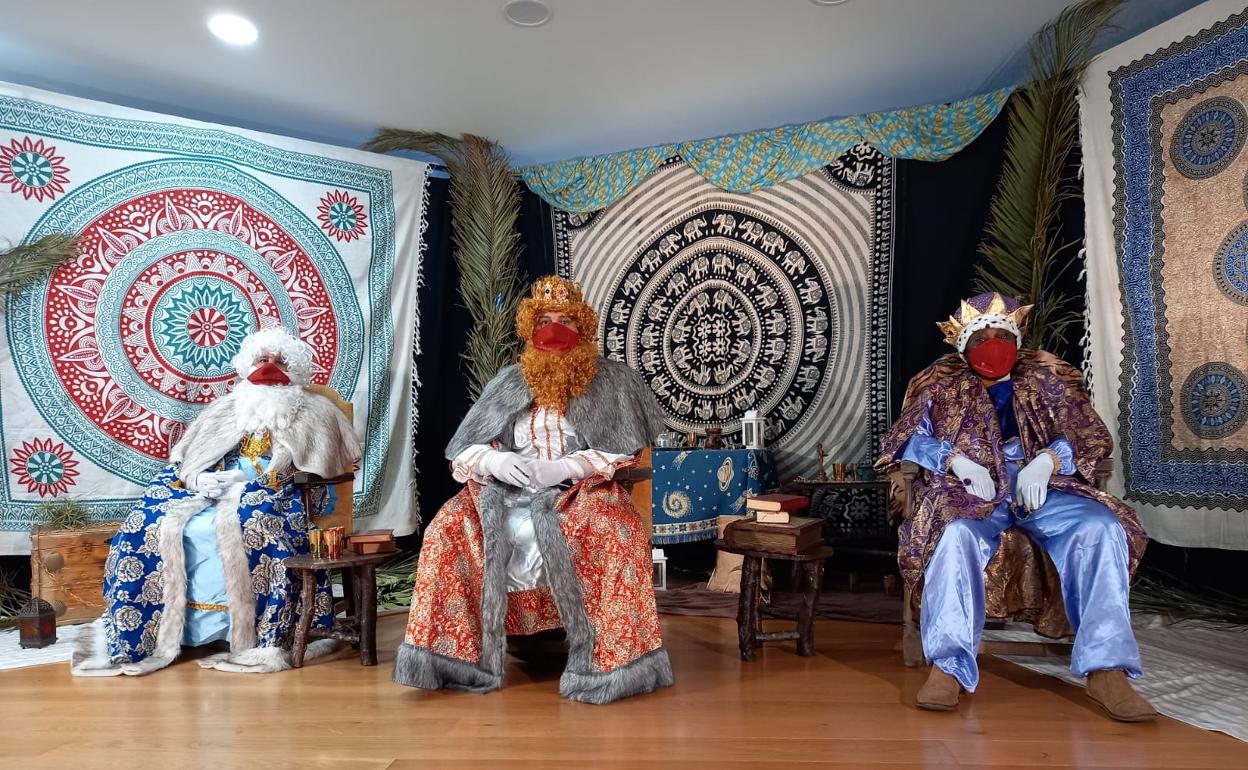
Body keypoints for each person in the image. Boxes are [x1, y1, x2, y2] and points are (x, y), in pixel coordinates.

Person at [876, 292, 1155, 721]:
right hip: (970, 490)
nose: (992, 344)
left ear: (1016, 335)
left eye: (1000, 334)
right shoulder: (939, 383)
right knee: (954, 536)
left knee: (1100, 527)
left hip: (1041, 486)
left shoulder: (1048, 376)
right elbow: (905, 438)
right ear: (961, 346)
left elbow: (1087, 433)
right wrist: (955, 461)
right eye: (981, 337)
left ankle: (1106, 670)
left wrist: (1049, 460)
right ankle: (948, 667)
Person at [395, 275, 672, 704]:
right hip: (504, 492)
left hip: (580, 491)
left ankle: (608, 667)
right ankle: (454, 659)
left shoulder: (613, 380)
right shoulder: (509, 381)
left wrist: (567, 465)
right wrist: (494, 460)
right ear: (530, 327)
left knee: (616, 534)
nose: (555, 328)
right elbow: (465, 449)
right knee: (447, 527)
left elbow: (625, 451)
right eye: (545, 319)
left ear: (582, 326)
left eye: (565, 320)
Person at [72, 327, 361, 676]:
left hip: (276, 495)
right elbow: (190, 458)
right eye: (262, 359)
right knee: (148, 523)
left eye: (279, 360)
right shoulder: (225, 407)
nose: (269, 366)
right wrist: (198, 479)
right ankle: (151, 633)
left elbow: (319, 470)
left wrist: (252, 483)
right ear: (248, 364)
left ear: (294, 369)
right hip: (210, 488)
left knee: (252, 524)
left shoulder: (317, 411)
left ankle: (245, 633)